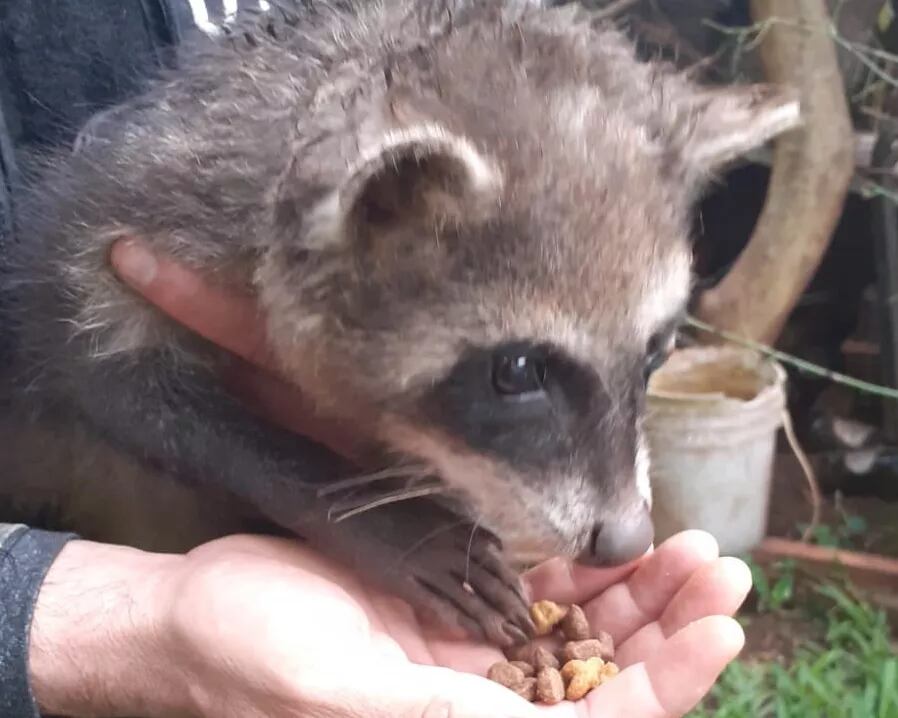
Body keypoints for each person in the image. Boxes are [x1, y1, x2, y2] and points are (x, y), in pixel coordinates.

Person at [0, 2, 752, 716]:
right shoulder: (288, 200)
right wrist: (320, 507)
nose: (629, 525)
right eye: (520, 374)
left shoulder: (521, 91)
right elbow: (97, 359)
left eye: (651, 351)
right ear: (380, 212)